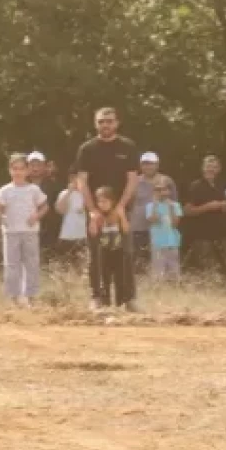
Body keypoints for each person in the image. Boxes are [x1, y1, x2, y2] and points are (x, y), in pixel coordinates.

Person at [75, 107, 140, 311]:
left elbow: (132, 179)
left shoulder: (128, 147)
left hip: (121, 211)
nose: (105, 125)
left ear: (117, 123)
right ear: (96, 124)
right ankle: (98, 297)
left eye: (109, 121)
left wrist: (120, 207)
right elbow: (82, 181)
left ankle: (127, 300)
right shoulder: (87, 148)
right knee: (97, 254)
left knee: (124, 254)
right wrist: (93, 210)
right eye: (101, 121)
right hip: (96, 210)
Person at [0, 154, 48, 307]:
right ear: (10, 170)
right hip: (11, 232)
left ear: (27, 171)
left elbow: (45, 206)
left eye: (21, 169)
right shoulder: (5, 190)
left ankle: (31, 297)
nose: (18, 172)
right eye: (15, 169)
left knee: (31, 263)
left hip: (29, 231)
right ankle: (13, 297)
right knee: (11, 265)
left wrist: (36, 216)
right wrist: (2, 217)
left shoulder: (33, 189)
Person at [184, 155, 226, 277]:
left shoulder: (223, 185)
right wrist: (208, 207)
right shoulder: (195, 186)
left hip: (222, 234)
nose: (211, 169)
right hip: (203, 236)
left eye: (214, 167)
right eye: (208, 166)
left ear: (219, 169)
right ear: (203, 168)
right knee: (209, 270)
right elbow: (187, 211)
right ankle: (211, 293)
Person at [129, 153, 177, 265]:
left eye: (151, 164)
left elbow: (174, 202)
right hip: (138, 227)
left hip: (161, 227)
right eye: (145, 164)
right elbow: (129, 203)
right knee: (139, 262)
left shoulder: (166, 180)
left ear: (157, 165)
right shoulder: (134, 181)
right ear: (140, 165)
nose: (148, 167)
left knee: (160, 262)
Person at [91, 187, 131, 307]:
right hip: (104, 252)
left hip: (118, 251)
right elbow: (93, 233)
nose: (102, 204)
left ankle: (120, 304)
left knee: (120, 279)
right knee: (105, 280)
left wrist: (122, 216)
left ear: (112, 201)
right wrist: (93, 220)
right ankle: (106, 305)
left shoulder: (117, 214)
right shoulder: (98, 216)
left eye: (105, 201)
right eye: (99, 202)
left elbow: (126, 230)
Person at [144, 179, 183, 280]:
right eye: (158, 190)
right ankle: (159, 292)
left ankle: (174, 290)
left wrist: (170, 208)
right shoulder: (150, 206)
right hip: (158, 243)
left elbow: (175, 224)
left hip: (172, 243)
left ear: (169, 191)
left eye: (164, 189)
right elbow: (153, 219)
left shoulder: (175, 205)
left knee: (174, 271)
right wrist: (156, 204)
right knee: (158, 273)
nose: (161, 192)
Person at [54, 167, 88, 267]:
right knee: (65, 267)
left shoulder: (88, 194)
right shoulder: (64, 193)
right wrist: (69, 192)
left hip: (83, 236)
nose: (76, 180)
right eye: (73, 178)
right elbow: (60, 210)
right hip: (66, 236)